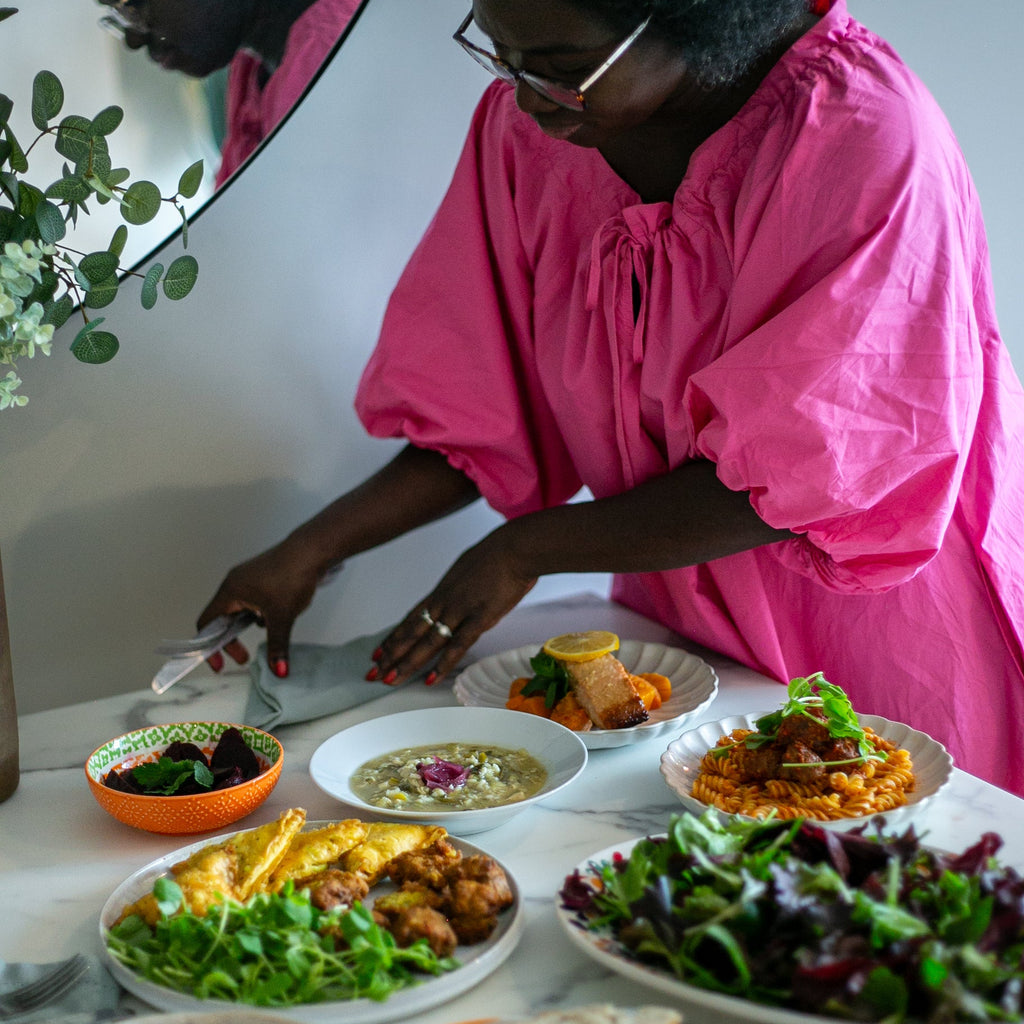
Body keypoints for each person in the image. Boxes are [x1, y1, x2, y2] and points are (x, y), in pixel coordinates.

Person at [197, 0, 1024, 797]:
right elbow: (483, 412)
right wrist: (307, 551)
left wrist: (522, 551)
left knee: (876, 875)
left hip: (878, 621)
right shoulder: (534, 131)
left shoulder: (863, 139)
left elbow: (811, 473)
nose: (523, 97)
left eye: (560, 67)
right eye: (500, 52)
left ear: (692, 16)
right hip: (688, 624)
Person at [96, 0, 361, 186]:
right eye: (115, 14)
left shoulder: (342, 64)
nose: (133, 40)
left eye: (129, 4)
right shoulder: (249, 73)